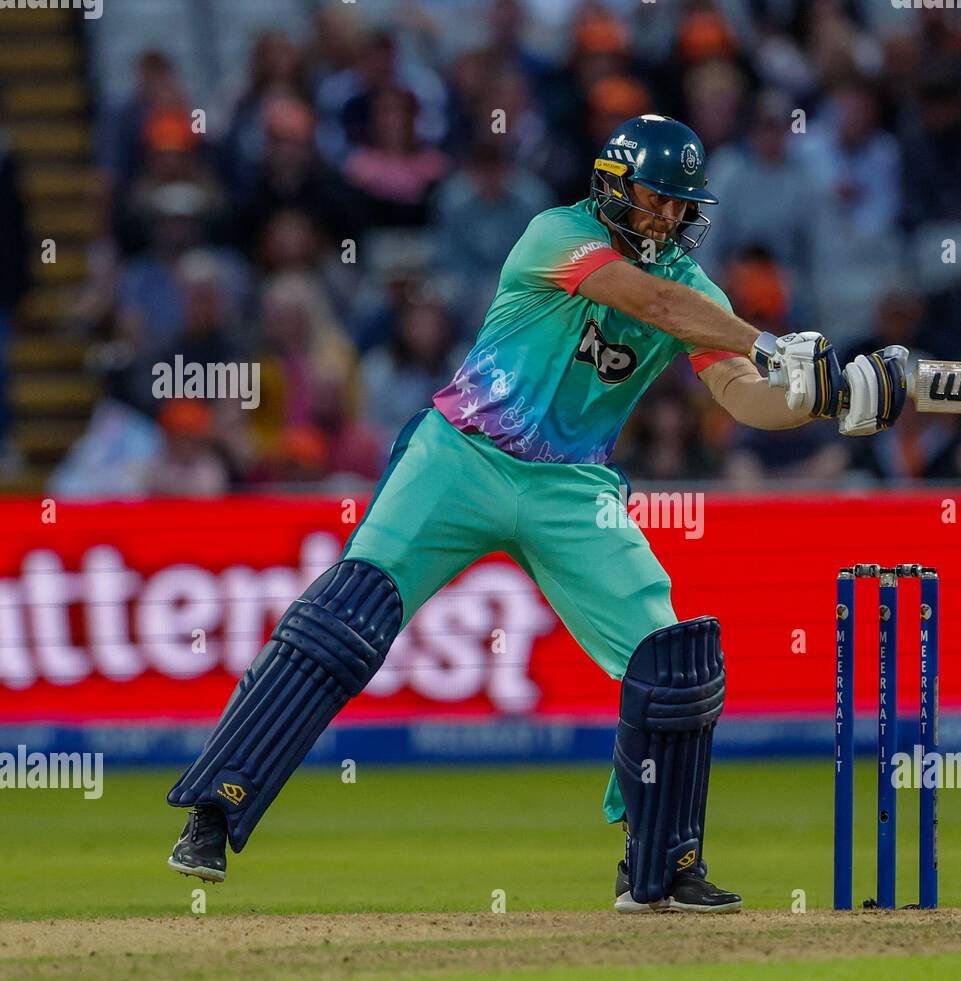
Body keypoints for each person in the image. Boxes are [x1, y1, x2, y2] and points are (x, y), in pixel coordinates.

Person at [164, 114, 907, 914]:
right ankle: (215, 810)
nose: (665, 220)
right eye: (653, 201)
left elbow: (743, 397)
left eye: (678, 207)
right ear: (613, 188)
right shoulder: (557, 234)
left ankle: (660, 868)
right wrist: (770, 343)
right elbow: (641, 298)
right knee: (344, 620)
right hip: (460, 456)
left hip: (571, 488)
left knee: (673, 661)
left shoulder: (700, 294)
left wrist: (820, 399)